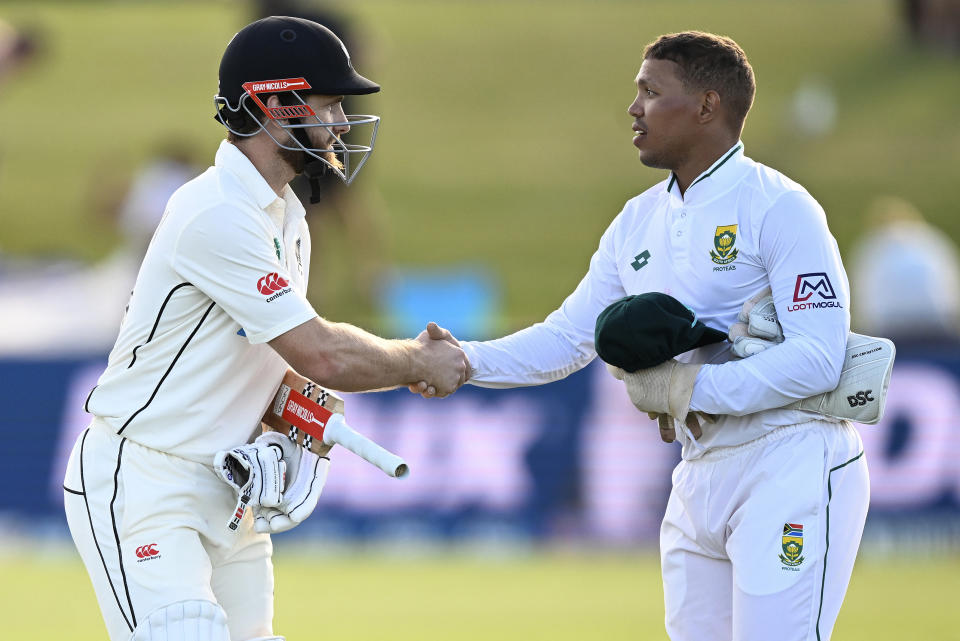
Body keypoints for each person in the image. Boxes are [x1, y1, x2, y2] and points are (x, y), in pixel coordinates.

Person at [438, 31, 867, 641]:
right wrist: (460, 360)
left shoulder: (779, 207)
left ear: (707, 106)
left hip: (791, 457)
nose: (633, 107)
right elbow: (567, 338)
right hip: (697, 469)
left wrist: (687, 387)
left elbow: (821, 359)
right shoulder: (636, 221)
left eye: (650, 91)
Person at [62, 16, 468, 641]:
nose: (339, 125)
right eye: (328, 105)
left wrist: (284, 406)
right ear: (274, 105)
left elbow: (282, 360)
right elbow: (322, 354)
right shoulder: (218, 212)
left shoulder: (287, 215)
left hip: (229, 485)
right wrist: (416, 360)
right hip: (146, 479)